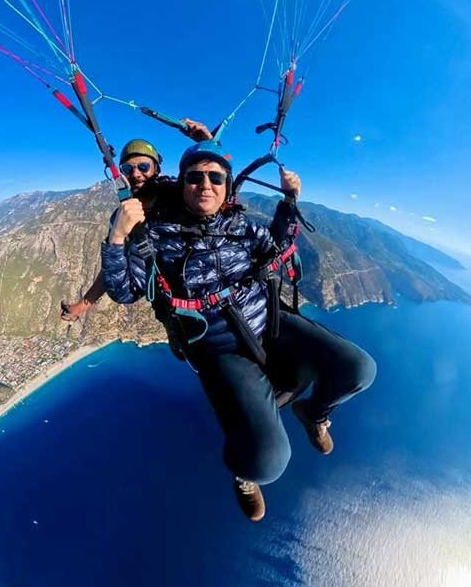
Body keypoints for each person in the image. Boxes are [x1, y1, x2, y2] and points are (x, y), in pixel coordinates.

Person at [100, 141, 377, 522]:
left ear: (227, 186)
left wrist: (289, 202)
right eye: (195, 177)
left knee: (359, 369)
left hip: (268, 322)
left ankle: (313, 413)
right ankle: (246, 478)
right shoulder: (156, 236)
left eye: (216, 177)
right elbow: (124, 290)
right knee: (268, 462)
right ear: (182, 183)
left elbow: (277, 245)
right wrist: (118, 237)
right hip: (218, 346)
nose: (205, 184)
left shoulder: (240, 225)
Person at [59, 120, 214, 322]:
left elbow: (215, 190)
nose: (136, 174)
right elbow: (115, 267)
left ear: (156, 169)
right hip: (181, 316)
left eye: (143, 166)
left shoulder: (179, 194)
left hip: (213, 293)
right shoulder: (123, 215)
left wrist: (208, 145)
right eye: (127, 168)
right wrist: (83, 305)